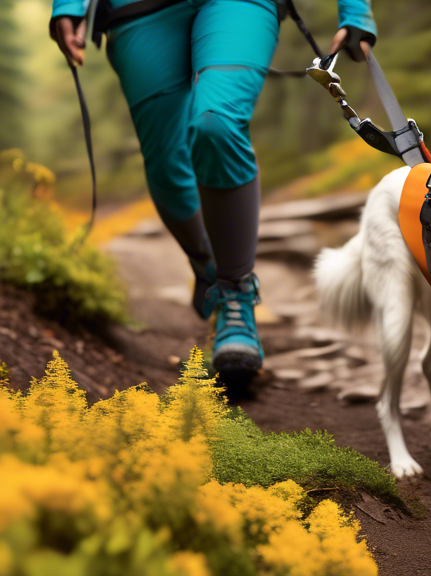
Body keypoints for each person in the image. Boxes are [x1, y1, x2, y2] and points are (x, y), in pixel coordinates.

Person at [50, 0, 375, 379]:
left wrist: (355, 10)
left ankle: (235, 292)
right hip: (136, 10)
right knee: (167, 167)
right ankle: (209, 270)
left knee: (215, 124)